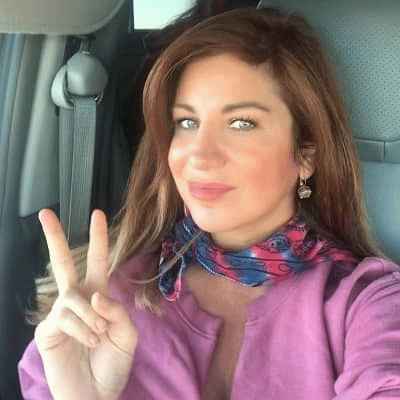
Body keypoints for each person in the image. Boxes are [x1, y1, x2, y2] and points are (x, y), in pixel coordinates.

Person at [17, 6, 400, 400]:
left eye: (241, 123)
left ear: (305, 155)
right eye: (186, 123)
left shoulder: (369, 303)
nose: (199, 155)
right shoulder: (103, 303)